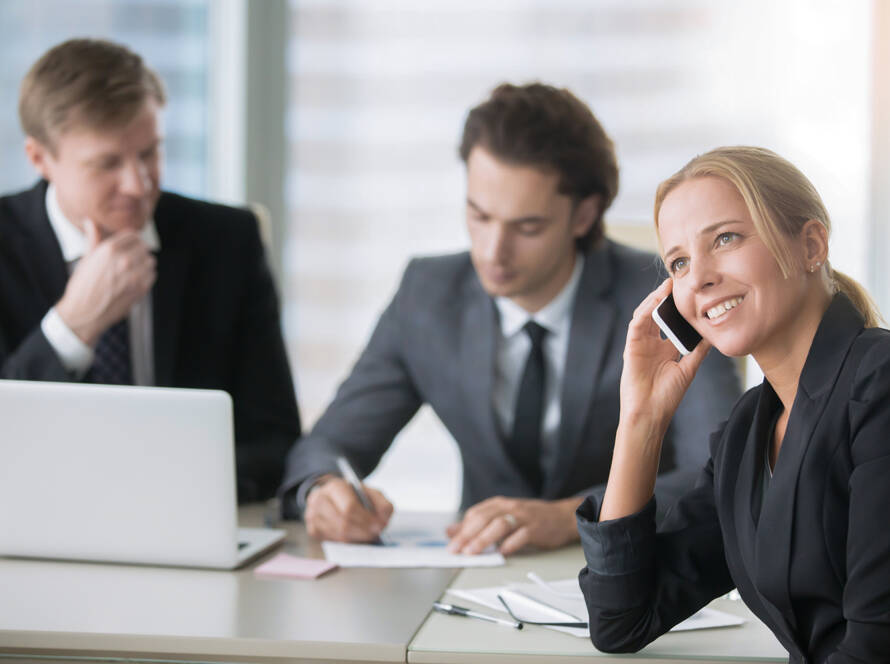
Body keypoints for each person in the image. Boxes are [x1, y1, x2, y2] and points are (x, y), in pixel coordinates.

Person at [280, 82, 740, 555]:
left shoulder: (661, 300)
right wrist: (323, 490)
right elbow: (327, 445)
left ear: (583, 216)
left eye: (527, 227)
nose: (492, 250)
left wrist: (570, 517)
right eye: (479, 216)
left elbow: (721, 471)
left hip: (632, 575)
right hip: (475, 579)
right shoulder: (428, 295)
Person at [577, 146, 890, 663]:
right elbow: (621, 620)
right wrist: (641, 420)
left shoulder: (877, 387)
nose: (698, 277)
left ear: (811, 245)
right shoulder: (748, 432)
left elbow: (876, 644)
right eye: (678, 262)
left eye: (725, 239)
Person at [0, 38, 300, 503]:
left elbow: (275, 440)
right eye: (107, 163)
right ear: (40, 158)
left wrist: (147, 488)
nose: (138, 185)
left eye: (149, 153)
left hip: (184, 518)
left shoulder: (228, 241)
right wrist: (71, 327)